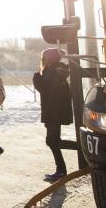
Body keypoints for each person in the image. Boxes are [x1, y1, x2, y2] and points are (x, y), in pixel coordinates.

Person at [33, 48, 77, 182]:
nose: (42, 60)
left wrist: (36, 79)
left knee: (53, 141)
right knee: (51, 141)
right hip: (53, 112)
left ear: (49, 59)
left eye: (44, 57)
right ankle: (61, 170)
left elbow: (48, 93)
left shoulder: (54, 72)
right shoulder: (55, 71)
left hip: (54, 112)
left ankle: (79, 149)